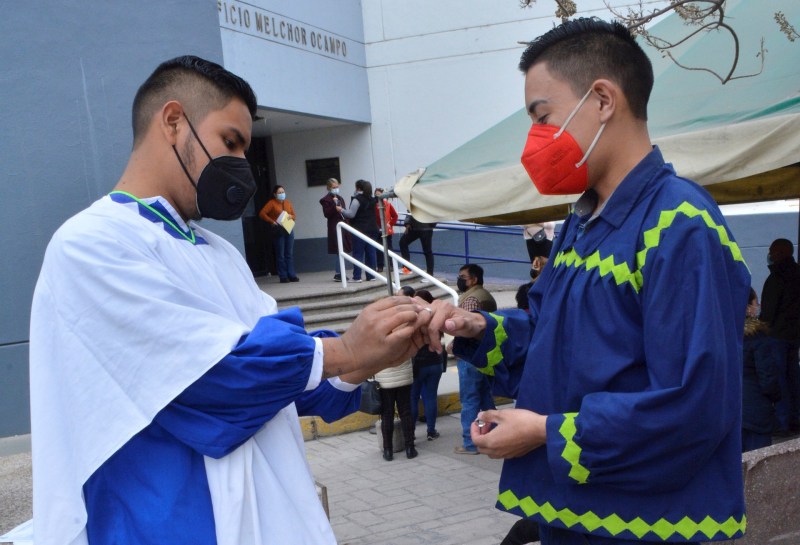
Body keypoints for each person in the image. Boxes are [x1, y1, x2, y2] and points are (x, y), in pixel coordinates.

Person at [28, 55, 428, 545]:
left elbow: (287, 384)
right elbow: (215, 377)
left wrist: (377, 349)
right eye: (230, 141)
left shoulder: (218, 252)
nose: (240, 164)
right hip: (174, 527)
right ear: (173, 122)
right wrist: (344, 349)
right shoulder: (93, 245)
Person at [421, 18, 750, 544]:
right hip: (571, 518)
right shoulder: (580, 224)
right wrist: (478, 328)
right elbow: (552, 341)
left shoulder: (680, 223)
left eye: (543, 117)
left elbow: (694, 406)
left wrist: (546, 432)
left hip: (648, 527)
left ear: (602, 100)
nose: (535, 140)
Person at [453, 264, 497, 455]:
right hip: (485, 354)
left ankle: (470, 443)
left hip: (470, 357)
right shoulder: (485, 295)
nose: (459, 280)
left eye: (463, 277)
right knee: (486, 399)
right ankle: (495, 435)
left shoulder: (471, 299)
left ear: (474, 279)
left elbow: (467, 329)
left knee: (470, 400)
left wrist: (454, 345)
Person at [760, 238, 800, 435]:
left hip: (777, 335)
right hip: (795, 335)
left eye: (772, 251)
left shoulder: (776, 278)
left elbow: (768, 311)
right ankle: (796, 418)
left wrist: (758, 329)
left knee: (780, 379)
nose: (769, 254)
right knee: (794, 378)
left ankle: (782, 421)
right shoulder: (797, 273)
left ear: (780, 253)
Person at [742, 288, 782, 452]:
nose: (758, 306)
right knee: (758, 461)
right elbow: (768, 377)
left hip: (726, 411)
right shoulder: (758, 338)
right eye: (756, 302)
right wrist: (776, 397)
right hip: (755, 411)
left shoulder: (721, 335)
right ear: (747, 308)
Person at [410, 289, 448, 440]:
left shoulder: (415, 318)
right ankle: (431, 431)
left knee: (413, 398)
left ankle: (411, 432)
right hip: (435, 362)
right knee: (431, 397)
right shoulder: (437, 316)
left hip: (418, 364)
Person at [374, 354, 418, 461]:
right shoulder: (404, 340)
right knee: (406, 413)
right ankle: (410, 449)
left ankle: (388, 451)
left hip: (385, 380)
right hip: (404, 377)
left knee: (387, 415)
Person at [339, 179, 378, 282]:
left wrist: (341, 210)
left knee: (358, 253)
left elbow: (351, 214)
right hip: (372, 229)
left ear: (358, 188)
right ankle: (371, 276)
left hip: (360, 230)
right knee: (371, 253)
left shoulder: (357, 199)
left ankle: (357, 277)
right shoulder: (373, 199)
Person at [259, 184, 298, 283]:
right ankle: (283, 276)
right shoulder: (271, 203)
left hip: (288, 228)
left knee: (289, 254)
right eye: (279, 192)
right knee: (280, 254)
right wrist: (271, 221)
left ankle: (292, 274)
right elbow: (262, 213)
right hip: (278, 230)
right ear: (275, 194)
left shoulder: (287, 202)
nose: (282, 194)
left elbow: (294, 215)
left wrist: (291, 216)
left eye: (283, 192)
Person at [319, 177, 351, 281]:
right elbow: (326, 214)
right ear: (329, 188)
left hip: (343, 225)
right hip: (335, 227)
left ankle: (340, 272)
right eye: (333, 187)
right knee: (339, 249)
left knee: (343, 249)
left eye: (337, 187)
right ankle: (339, 273)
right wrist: (334, 208)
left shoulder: (340, 198)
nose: (336, 189)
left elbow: (344, 211)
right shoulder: (326, 200)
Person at [374, 187, 399, 273]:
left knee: (389, 248)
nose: (377, 197)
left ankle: (391, 265)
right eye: (376, 195)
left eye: (379, 195)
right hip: (377, 230)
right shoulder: (373, 205)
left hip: (387, 231)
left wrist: (390, 224)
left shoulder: (387, 204)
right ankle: (380, 266)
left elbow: (395, 216)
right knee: (379, 249)